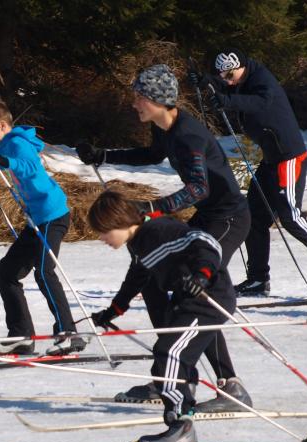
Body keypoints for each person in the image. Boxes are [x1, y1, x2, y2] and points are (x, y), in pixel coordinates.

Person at [77, 64, 252, 412]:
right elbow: (152, 155)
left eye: (139, 97)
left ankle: (230, 386)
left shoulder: (188, 136)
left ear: (158, 99)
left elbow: (199, 189)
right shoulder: (165, 128)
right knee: (154, 282)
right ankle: (170, 377)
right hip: (208, 215)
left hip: (228, 218)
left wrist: (154, 208)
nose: (134, 104)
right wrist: (104, 156)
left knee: (200, 296)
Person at [197, 49, 307, 298]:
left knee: (291, 217)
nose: (227, 81)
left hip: (289, 158)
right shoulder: (240, 79)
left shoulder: (262, 79)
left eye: (229, 75)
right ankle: (258, 279)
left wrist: (227, 101)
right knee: (253, 217)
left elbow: (260, 101)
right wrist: (207, 81)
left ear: (242, 66)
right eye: (222, 76)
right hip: (271, 159)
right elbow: (230, 86)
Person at [87, 191, 237, 442]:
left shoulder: (158, 230)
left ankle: (182, 430)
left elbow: (205, 241)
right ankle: (177, 423)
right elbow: (137, 276)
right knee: (164, 358)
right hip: (188, 303)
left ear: (119, 222)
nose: (102, 238)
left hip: (208, 299)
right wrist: (113, 310)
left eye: (103, 231)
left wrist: (202, 275)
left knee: (170, 354)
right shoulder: (139, 243)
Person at [0, 97, 86, 356]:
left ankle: (68, 333)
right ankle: (21, 336)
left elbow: (28, 166)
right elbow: (0, 157)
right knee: (7, 272)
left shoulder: (17, 143)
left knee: (44, 273)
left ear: (3, 126)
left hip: (52, 215)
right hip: (37, 219)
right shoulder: (6, 144)